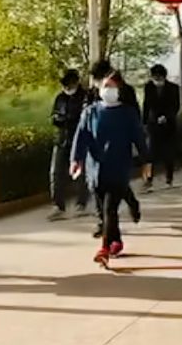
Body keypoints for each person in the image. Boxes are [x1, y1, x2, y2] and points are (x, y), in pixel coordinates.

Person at [71, 71, 152, 266]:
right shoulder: (90, 112)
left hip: (118, 167)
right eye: (105, 86)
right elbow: (81, 136)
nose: (108, 90)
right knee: (103, 210)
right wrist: (76, 159)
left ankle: (105, 248)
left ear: (119, 90)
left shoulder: (127, 113)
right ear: (99, 89)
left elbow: (139, 138)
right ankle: (116, 240)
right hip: (96, 169)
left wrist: (146, 161)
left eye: (112, 86)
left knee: (109, 209)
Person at [87, 59, 142, 234]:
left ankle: (131, 204)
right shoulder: (93, 92)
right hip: (98, 147)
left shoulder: (125, 91)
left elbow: (135, 118)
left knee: (118, 183)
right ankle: (103, 222)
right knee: (97, 184)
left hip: (118, 145)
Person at [48, 69, 89, 220]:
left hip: (80, 139)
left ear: (76, 82)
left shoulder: (86, 97)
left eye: (69, 84)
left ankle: (81, 204)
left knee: (81, 173)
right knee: (56, 172)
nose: (67, 88)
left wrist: (69, 119)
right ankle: (58, 205)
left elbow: (84, 118)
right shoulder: (60, 98)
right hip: (61, 139)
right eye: (64, 85)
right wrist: (58, 119)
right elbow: (54, 115)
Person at [142, 64, 181, 191]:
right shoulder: (148, 87)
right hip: (153, 125)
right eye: (154, 77)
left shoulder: (173, 88)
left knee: (168, 153)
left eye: (159, 77)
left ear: (164, 76)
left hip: (168, 126)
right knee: (149, 154)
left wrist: (166, 117)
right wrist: (144, 122)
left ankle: (169, 178)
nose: (157, 80)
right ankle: (148, 179)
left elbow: (176, 106)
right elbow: (146, 105)